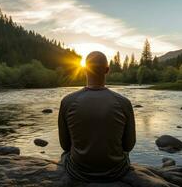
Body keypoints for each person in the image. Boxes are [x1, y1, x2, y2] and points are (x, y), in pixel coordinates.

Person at [58, 51, 136, 183]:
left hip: (77, 172)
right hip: (117, 171)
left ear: (84, 69)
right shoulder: (123, 103)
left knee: (65, 155)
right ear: (107, 70)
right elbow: (128, 146)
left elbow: (65, 145)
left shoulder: (67, 101)